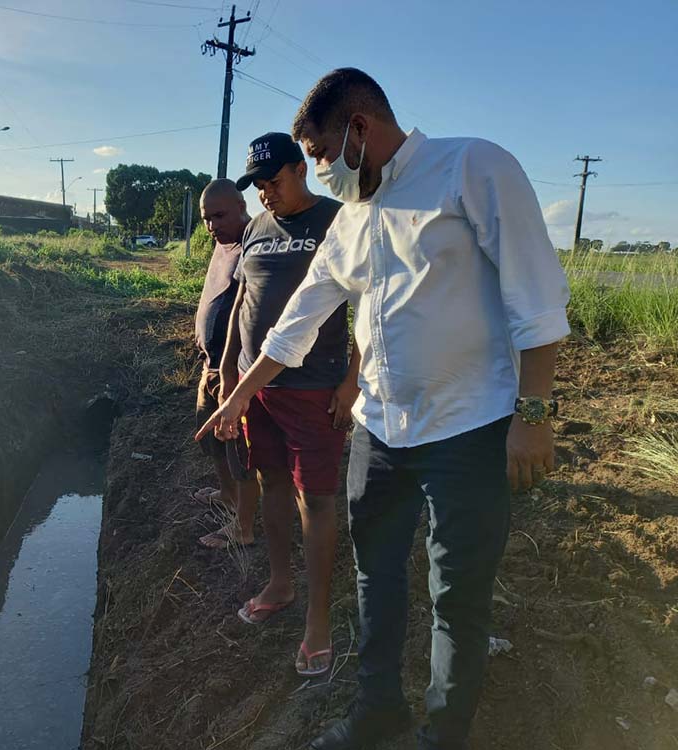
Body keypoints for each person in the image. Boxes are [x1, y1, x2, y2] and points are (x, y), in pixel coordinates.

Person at [197, 68, 570, 750]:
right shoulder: (354, 221)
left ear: (358, 130)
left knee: (457, 593)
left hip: (470, 425)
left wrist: (534, 415)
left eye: (317, 154)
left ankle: (443, 733)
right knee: (376, 573)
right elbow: (298, 321)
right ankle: (379, 711)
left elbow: (536, 296)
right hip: (380, 429)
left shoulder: (473, 168)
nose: (317, 170)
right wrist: (242, 391)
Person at [219, 132, 353, 678]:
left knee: (316, 500)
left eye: (272, 183)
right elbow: (241, 303)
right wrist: (228, 371)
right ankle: (280, 582)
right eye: (257, 186)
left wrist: (353, 380)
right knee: (271, 482)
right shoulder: (254, 228)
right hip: (257, 388)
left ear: (301, 169)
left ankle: (318, 620)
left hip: (315, 387)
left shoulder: (339, 221)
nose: (265, 195)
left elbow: (368, 303)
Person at [193, 179, 261, 549]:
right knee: (211, 441)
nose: (212, 226)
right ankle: (226, 494)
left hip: (236, 371)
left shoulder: (254, 243)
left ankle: (244, 527)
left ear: (240, 204)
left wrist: (234, 371)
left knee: (239, 451)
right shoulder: (222, 245)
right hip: (212, 364)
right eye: (206, 218)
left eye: (219, 215)